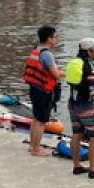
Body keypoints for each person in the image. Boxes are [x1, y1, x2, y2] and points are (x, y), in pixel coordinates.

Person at [66, 38, 94, 178]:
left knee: (77, 134)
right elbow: (92, 89)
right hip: (86, 106)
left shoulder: (75, 62)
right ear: (89, 51)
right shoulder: (89, 66)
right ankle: (93, 170)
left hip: (73, 103)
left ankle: (77, 166)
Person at [23, 25, 63, 157]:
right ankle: (36, 149)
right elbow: (55, 75)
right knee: (41, 121)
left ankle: (31, 146)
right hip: (43, 91)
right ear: (48, 39)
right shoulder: (47, 55)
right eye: (55, 37)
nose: (57, 39)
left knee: (36, 118)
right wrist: (66, 73)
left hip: (34, 88)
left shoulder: (36, 50)